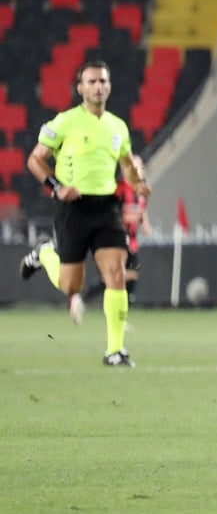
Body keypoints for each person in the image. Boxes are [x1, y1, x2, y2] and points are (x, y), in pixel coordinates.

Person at [18, 60, 150, 367]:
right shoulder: (65, 122)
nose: (98, 86)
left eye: (102, 81)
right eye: (91, 82)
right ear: (81, 88)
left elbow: (128, 166)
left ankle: (114, 351)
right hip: (74, 208)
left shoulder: (118, 126)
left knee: (115, 273)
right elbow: (35, 159)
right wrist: (56, 188)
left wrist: (138, 184)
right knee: (71, 286)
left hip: (107, 207)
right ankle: (44, 254)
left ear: (109, 86)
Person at [84, 154, 150, 305]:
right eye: (135, 167)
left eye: (140, 167)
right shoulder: (118, 189)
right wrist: (127, 218)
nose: (139, 171)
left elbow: (142, 209)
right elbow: (109, 215)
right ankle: (84, 298)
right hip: (114, 239)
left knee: (130, 275)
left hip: (130, 241)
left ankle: (122, 308)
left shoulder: (141, 191)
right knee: (114, 277)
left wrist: (145, 223)